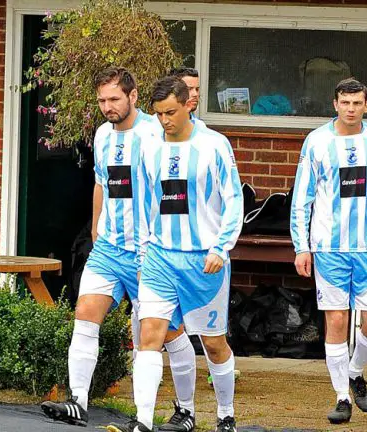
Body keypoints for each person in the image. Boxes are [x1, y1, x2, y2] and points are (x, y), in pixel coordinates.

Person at [41, 67, 198, 431]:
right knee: (85, 314)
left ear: (133, 96)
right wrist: (96, 231)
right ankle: (78, 400)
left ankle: (186, 410)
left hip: (150, 252)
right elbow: (101, 183)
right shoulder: (101, 135)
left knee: (165, 335)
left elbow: (172, 188)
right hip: (110, 248)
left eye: (114, 99)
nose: (108, 107)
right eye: (102, 101)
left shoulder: (154, 132)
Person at [108, 76, 243, 432]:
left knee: (213, 345)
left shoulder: (215, 146)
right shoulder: (149, 149)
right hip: (160, 257)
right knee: (150, 334)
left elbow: (234, 201)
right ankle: (145, 421)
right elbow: (143, 206)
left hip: (203, 260)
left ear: (188, 105)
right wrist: (141, 257)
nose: (164, 120)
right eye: (158, 114)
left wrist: (221, 247)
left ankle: (225, 414)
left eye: (170, 112)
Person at [290, 78, 367, 424]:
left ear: (366, 105)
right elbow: (302, 198)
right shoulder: (317, 142)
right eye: (345, 102)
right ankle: (342, 396)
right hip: (329, 248)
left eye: (357, 103)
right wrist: (302, 247)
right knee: (337, 320)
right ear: (335, 104)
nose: (351, 109)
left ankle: (355, 372)